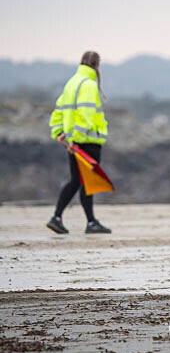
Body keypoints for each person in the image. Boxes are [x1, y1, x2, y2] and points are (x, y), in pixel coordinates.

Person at [46, 51, 111, 234]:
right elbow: (86, 115)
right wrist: (77, 139)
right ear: (97, 66)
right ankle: (65, 218)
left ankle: (83, 221)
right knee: (83, 181)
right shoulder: (89, 85)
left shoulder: (71, 83)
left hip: (75, 142)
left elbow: (58, 111)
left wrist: (59, 132)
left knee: (79, 180)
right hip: (87, 142)